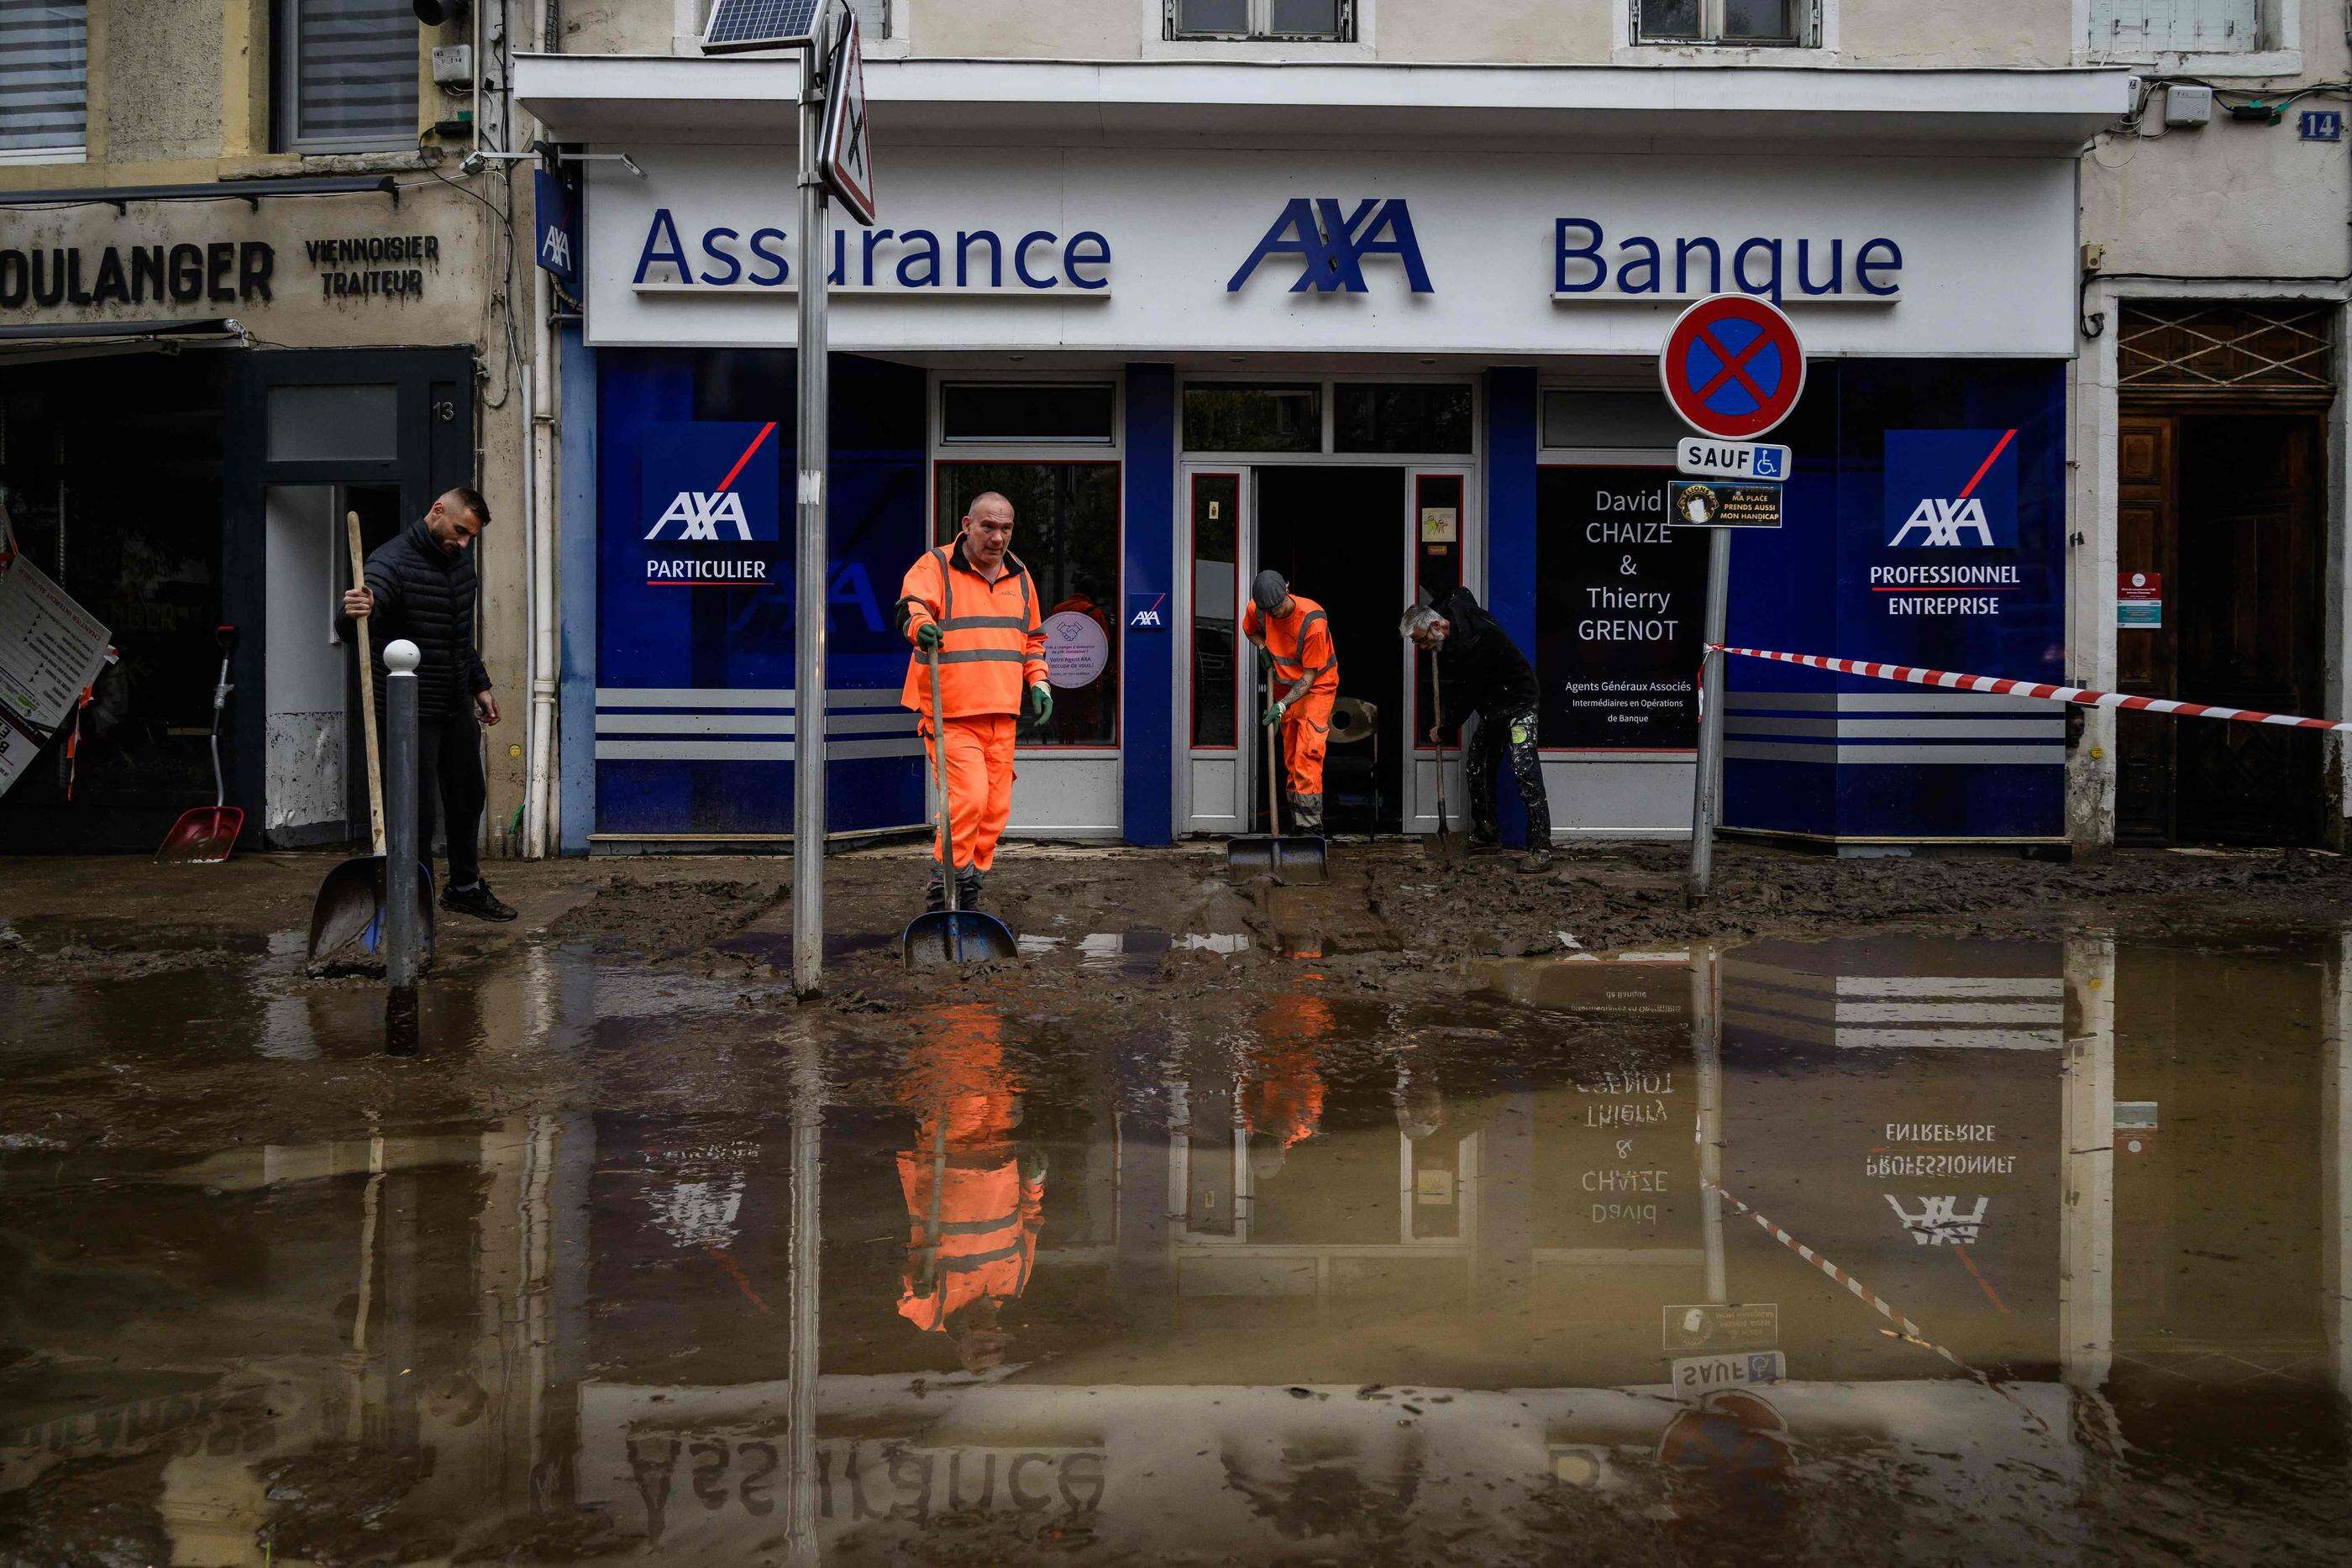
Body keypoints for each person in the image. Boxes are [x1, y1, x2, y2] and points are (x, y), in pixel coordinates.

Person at [338, 488, 514, 920]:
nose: (464, 542)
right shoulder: (390, 561)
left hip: (454, 702)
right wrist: (356, 609)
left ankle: (464, 887)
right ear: (437, 511)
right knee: (414, 813)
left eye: (471, 536)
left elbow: (458, 634)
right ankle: (414, 903)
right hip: (407, 710)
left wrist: (479, 685)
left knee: (467, 796)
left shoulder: (458, 562)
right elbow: (356, 624)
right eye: (460, 531)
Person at [896, 491, 1050, 913]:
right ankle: (943, 893)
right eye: (988, 527)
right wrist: (920, 626)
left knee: (995, 809)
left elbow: (1033, 639)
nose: (997, 537)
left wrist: (1039, 682)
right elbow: (912, 606)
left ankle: (968, 889)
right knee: (969, 801)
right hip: (951, 711)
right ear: (967, 525)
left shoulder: (1020, 576)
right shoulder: (937, 565)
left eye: (1005, 528)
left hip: (1001, 712)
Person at [895, 1003, 1047, 1374]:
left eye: (981, 1337)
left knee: (961, 1076)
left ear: (961, 1344)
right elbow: (1029, 1222)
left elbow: (905, 1273)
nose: (989, 1328)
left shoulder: (929, 1314)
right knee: (994, 1074)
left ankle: (949, 1001)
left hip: (951, 1157)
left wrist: (921, 1288)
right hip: (999, 1150)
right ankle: (983, 998)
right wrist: (1034, 1184)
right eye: (994, 1334)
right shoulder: (1014, 1286)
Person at [1403, 585, 1554, 873]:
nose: (1424, 649)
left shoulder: (1474, 641)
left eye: (1422, 642)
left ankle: (1542, 847)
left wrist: (1443, 730)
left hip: (1519, 701)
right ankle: (1486, 833)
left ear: (1436, 626)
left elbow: (1467, 696)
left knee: (1525, 769)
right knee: (1477, 764)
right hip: (1495, 706)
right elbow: (1458, 590)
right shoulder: (1454, 609)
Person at [1239, 570, 1338, 835]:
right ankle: (1297, 825)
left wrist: (1281, 706)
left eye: (1280, 607)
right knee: (1292, 756)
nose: (1277, 614)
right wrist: (1262, 648)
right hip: (1284, 687)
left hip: (1316, 688)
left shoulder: (1312, 621)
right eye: (1270, 612)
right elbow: (1249, 629)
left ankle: (1311, 827)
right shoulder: (1259, 609)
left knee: (1307, 753)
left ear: (1287, 589)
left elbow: (1308, 677)